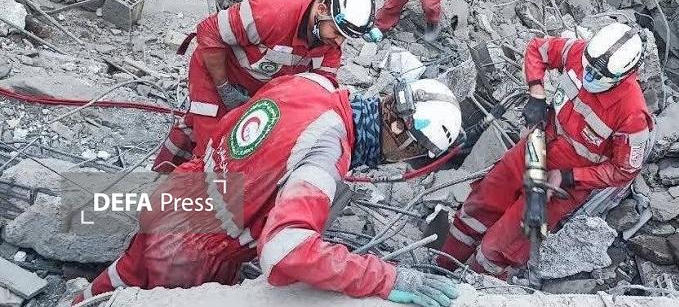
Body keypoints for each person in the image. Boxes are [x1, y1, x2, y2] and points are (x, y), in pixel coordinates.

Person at [75, 73, 463, 307]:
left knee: (123, 274)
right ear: (403, 139)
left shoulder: (313, 84)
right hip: (192, 251)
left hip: (176, 194)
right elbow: (285, 251)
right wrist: (387, 278)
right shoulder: (327, 153)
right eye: (413, 154)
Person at [438, 23, 654, 278]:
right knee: (478, 209)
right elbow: (537, 49)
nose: (589, 76)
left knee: (500, 247)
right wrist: (537, 95)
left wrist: (571, 177)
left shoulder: (633, 115)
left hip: (560, 184)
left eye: (598, 75)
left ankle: (469, 288)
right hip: (534, 147)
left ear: (622, 76)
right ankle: (440, 268)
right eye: (588, 67)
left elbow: (624, 170)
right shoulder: (578, 52)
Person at [152, 0, 377, 173]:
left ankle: (160, 175)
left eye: (344, 37)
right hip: (213, 74)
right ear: (321, 10)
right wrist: (224, 88)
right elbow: (209, 31)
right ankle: (175, 195)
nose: (338, 42)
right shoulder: (274, 10)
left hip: (252, 88)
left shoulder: (329, 47)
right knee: (214, 150)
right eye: (336, 32)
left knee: (206, 130)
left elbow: (318, 93)